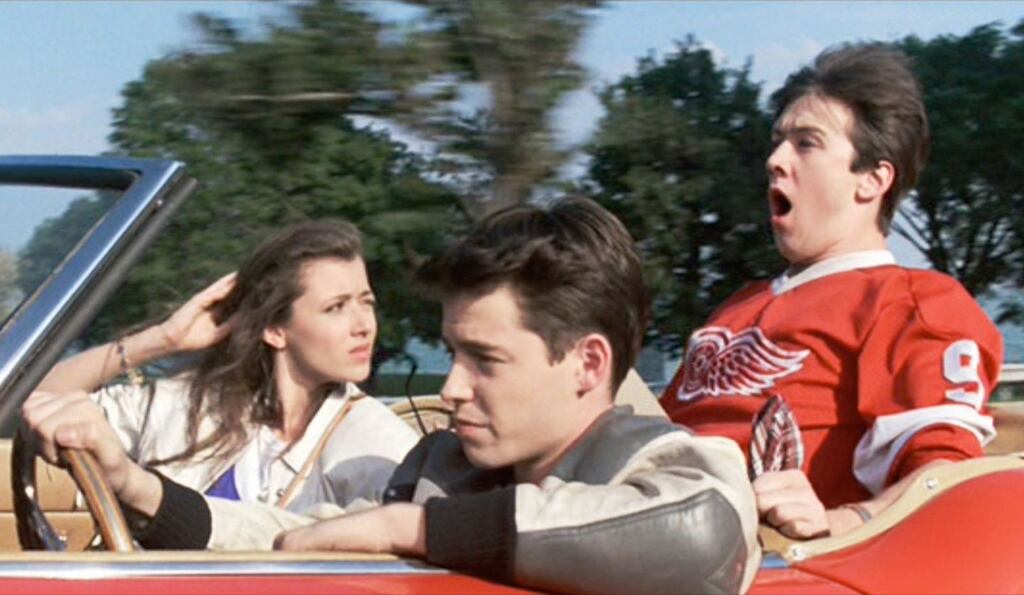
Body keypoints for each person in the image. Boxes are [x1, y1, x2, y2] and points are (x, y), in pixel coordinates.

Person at [27, 198, 761, 594]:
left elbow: (698, 534)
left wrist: (414, 530)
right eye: (452, 352)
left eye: (486, 358)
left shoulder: (670, 461)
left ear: (585, 362)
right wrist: (134, 487)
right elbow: (299, 532)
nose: (451, 386)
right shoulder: (444, 465)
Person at [659, 43, 1004, 539]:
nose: (775, 160)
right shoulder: (738, 305)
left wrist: (841, 521)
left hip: (772, 563)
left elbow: (943, 479)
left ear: (871, 180)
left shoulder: (912, 302)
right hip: (654, 533)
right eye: (778, 141)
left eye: (806, 143)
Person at [24, 220, 419, 513]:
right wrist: (161, 340)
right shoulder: (191, 404)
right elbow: (27, 400)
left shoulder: (378, 443)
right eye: (337, 307)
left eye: (366, 302)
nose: (364, 325)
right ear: (275, 330)